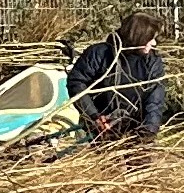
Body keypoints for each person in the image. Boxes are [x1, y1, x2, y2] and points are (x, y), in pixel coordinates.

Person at [68, 14, 170, 147]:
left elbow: (155, 98)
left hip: (137, 127)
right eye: (150, 39)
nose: (154, 43)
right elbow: (76, 83)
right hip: (102, 127)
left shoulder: (152, 61)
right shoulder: (100, 54)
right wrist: (93, 116)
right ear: (139, 37)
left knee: (140, 166)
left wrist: (148, 129)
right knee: (107, 166)